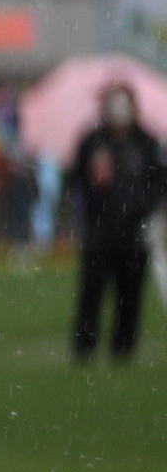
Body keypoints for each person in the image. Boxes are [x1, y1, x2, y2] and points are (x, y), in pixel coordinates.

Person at [67, 82, 167, 361]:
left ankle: (124, 347)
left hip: (135, 231)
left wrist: (143, 207)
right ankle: (84, 346)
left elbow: (159, 182)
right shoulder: (93, 141)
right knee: (92, 291)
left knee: (131, 293)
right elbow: (76, 179)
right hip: (100, 230)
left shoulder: (147, 143)